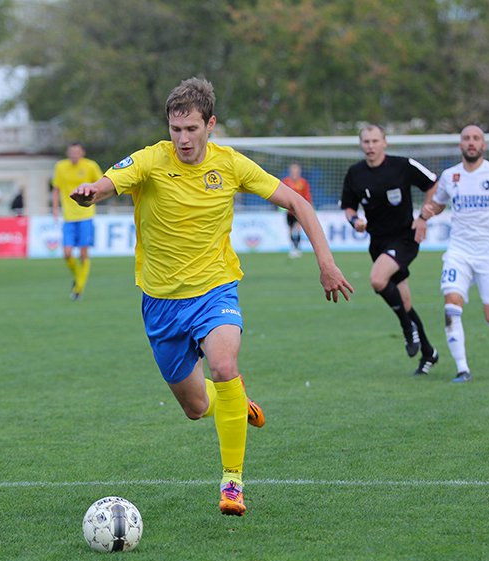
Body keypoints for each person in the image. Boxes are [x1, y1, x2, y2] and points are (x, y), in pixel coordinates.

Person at [71, 78, 353, 516]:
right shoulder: (150, 159)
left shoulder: (233, 165)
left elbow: (299, 205)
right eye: (175, 129)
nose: (182, 139)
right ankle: (235, 403)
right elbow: (111, 180)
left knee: (223, 365)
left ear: (210, 125)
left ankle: (233, 482)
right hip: (160, 302)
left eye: (191, 129)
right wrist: (93, 192)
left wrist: (327, 263)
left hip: (215, 289)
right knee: (196, 406)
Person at [414, 125, 489, 383]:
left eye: (476, 138)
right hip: (459, 250)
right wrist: (424, 214)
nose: (471, 142)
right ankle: (462, 369)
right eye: (466, 138)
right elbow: (440, 201)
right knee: (451, 305)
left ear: (483, 145)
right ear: (460, 144)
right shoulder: (450, 175)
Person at [341, 124, 440, 376]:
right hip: (378, 242)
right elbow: (349, 208)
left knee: (377, 279)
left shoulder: (403, 165)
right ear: (361, 144)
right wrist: (355, 222)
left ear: (385, 142)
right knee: (404, 301)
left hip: (405, 239)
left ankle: (407, 329)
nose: (370, 146)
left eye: (375, 141)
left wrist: (423, 217)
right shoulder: (355, 173)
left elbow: (434, 185)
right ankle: (429, 353)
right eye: (366, 142)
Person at [52, 143, 104, 300]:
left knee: (83, 253)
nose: (74, 154)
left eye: (77, 152)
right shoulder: (60, 167)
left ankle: (79, 289)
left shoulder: (90, 166)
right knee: (67, 254)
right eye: (71, 152)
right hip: (68, 216)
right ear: (68, 153)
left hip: (86, 215)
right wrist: (55, 209)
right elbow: (56, 189)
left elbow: (101, 185)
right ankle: (78, 277)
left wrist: (94, 199)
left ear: (82, 152)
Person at [281, 163, 312, 258]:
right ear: (290, 172)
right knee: (290, 229)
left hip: (299, 210)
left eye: (297, 171)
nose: (295, 173)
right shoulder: (285, 181)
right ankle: (292, 247)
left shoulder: (303, 182)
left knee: (298, 228)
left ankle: (297, 247)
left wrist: (308, 206)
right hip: (288, 211)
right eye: (293, 171)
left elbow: (307, 196)